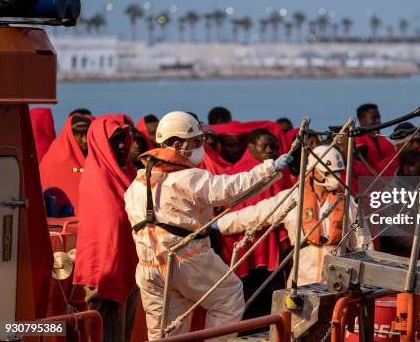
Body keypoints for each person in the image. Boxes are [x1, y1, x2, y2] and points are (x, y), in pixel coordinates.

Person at [124, 111, 292, 340]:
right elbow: (231, 189)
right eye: (195, 142)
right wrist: (270, 168)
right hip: (188, 258)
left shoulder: (137, 183)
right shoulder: (189, 178)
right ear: (176, 144)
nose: (200, 147)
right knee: (229, 296)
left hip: (148, 267)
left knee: (164, 331)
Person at [216, 145, 373, 286]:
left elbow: (363, 241)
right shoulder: (292, 198)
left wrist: (364, 280)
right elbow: (255, 215)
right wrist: (217, 225)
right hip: (302, 279)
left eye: (338, 172)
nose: (335, 177)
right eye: (329, 172)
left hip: (338, 280)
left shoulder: (348, 203)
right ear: (313, 171)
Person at [73, 115, 139, 342]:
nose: (122, 146)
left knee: (124, 335)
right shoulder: (98, 179)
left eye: (124, 139)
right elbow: (108, 230)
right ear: (101, 143)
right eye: (114, 140)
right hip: (105, 277)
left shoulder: (128, 175)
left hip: (130, 271)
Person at [220, 129, 293, 321]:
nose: (270, 150)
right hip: (246, 242)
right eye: (265, 146)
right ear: (251, 146)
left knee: (271, 294)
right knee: (249, 295)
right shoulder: (240, 172)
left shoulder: (280, 171)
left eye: (275, 147)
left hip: (272, 240)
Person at [39, 114, 91, 212]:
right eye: (80, 135)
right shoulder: (60, 159)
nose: (85, 140)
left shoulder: (86, 158)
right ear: (70, 135)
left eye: (87, 134)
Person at [355, 103, 397, 175]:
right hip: (368, 182)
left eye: (379, 117)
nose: (378, 121)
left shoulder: (387, 142)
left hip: (391, 182)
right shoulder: (356, 141)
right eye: (373, 118)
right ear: (361, 120)